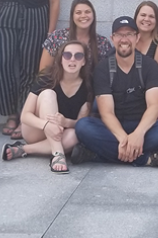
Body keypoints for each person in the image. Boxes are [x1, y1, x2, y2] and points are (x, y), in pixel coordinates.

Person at [72, 16, 158, 169]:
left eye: (129, 34)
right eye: (119, 35)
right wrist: (123, 139)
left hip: (140, 124)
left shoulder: (149, 65)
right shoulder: (103, 68)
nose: (124, 39)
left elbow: (154, 106)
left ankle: (96, 155)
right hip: (111, 127)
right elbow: (106, 113)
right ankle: (146, 159)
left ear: (137, 37)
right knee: (83, 127)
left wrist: (138, 134)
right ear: (112, 38)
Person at [0, 0, 63, 141]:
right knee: (4, 64)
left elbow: (55, 0)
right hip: (7, 12)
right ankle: (10, 114)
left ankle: (23, 115)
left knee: (29, 69)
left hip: (37, 16)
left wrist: (50, 32)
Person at [2, 41, 92, 174]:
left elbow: (81, 123)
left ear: (83, 61)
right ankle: (58, 155)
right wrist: (46, 125)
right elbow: (25, 116)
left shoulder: (87, 87)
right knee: (48, 94)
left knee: (75, 136)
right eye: (67, 55)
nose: (72, 59)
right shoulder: (47, 78)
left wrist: (66, 122)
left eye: (78, 56)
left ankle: (24, 149)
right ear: (61, 59)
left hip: (62, 133)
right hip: (36, 130)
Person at [40, 0, 112, 71]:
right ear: (72, 16)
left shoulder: (103, 43)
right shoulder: (57, 37)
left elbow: (107, 73)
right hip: (59, 81)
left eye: (87, 12)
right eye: (78, 12)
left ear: (93, 16)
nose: (83, 15)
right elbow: (43, 72)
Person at [134, 1, 158, 98]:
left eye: (151, 16)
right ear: (136, 17)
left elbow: (157, 79)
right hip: (131, 88)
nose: (146, 19)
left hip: (155, 90)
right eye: (143, 15)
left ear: (156, 21)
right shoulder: (130, 40)